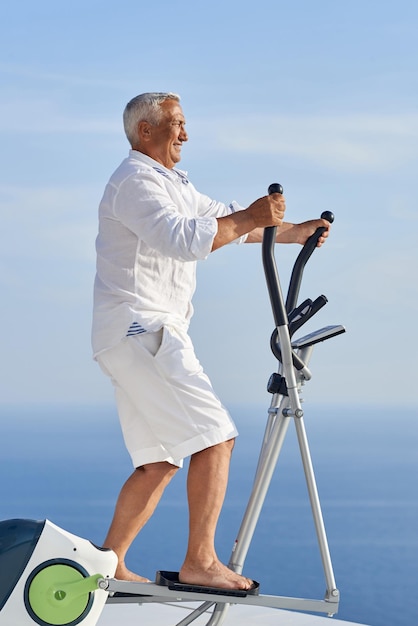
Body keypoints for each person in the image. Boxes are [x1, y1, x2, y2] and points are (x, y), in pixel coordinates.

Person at [92, 92, 329, 590]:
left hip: (132, 333)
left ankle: (109, 560)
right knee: (216, 437)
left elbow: (228, 225)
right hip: (143, 327)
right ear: (145, 132)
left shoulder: (171, 183)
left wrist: (292, 231)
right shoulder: (135, 182)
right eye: (176, 124)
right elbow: (182, 238)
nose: (185, 133)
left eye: (184, 123)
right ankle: (200, 562)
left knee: (159, 459)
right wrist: (251, 216)